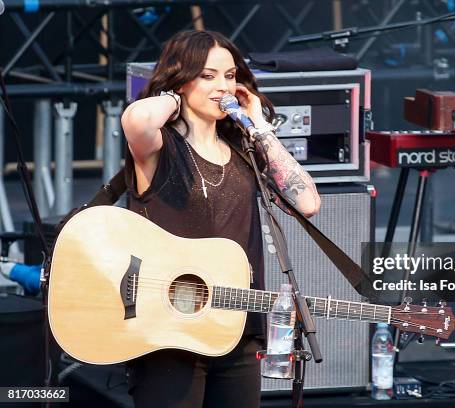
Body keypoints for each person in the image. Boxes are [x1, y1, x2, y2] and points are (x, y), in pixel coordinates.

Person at [120, 30, 321, 407]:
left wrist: (258, 126)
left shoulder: (244, 151)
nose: (223, 86)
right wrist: (174, 97)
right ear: (181, 78)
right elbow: (138, 119)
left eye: (230, 76)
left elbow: (307, 202)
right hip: (169, 330)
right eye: (208, 75)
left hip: (236, 327)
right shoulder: (161, 146)